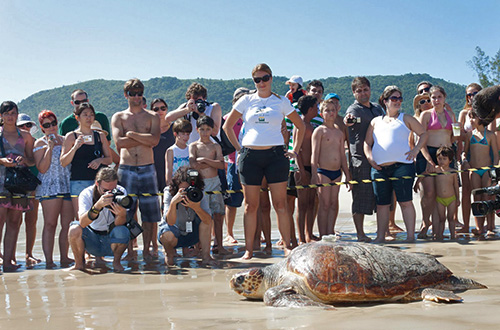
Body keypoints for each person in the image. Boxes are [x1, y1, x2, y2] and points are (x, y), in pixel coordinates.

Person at [223, 63, 305, 259]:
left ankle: (287, 246)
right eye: (257, 79)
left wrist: (294, 150)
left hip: (276, 156)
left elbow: (300, 126)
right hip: (250, 157)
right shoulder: (246, 100)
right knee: (251, 206)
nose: (261, 82)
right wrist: (239, 149)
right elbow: (228, 126)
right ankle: (249, 249)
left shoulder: (282, 101)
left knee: (280, 204)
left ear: (271, 78)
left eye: (265, 78)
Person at [364, 86, 428, 243]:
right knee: (382, 204)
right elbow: (367, 143)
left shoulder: (406, 118)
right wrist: (370, 158)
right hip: (379, 168)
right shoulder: (375, 121)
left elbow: (423, 134)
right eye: (394, 98)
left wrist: (415, 151)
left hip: (403, 166)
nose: (398, 101)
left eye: (400, 98)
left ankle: (411, 237)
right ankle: (380, 236)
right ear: (385, 101)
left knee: (405, 202)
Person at [111, 78, 162, 261]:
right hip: (126, 168)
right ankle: (131, 251)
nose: (137, 97)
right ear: (126, 95)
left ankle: (148, 249)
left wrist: (131, 134)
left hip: (148, 168)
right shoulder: (119, 117)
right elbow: (119, 143)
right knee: (126, 212)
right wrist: (143, 138)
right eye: (133, 94)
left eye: (139, 93)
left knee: (150, 213)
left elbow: (155, 141)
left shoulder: (152, 117)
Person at [343, 77, 384, 242]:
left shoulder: (377, 108)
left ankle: (384, 231)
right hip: (360, 160)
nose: (363, 93)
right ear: (354, 93)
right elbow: (348, 119)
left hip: (380, 157)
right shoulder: (354, 109)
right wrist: (348, 120)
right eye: (359, 91)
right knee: (360, 197)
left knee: (382, 196)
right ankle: (360, 233)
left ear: (370, 90)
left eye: (365, 89)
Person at [68, 167, 130, 272]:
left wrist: (122, 215)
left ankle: (116, 262)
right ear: (97, 184)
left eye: (112, 189)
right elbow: (82, 223)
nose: (109, 193)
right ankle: (79, 264)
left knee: (123, 230)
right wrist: (97, 206)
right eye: (105, 190)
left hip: (111, 239)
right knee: (74, 228)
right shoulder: (86, 194)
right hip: (92, 240)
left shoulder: (121, 191)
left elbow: (120, 225)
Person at [33, 110, 74, 268]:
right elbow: (42, 168)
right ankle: (49, 261)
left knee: (67, 224)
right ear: (42, 128)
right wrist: (50, 148)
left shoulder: (65, 140)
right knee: (50, 224)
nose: (51, 127)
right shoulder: (40, 143)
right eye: (47, 125)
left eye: (53, 123)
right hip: (50, 186)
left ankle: (64, 257)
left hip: (66, 184)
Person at [60, 102, 112, 220]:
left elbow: (110, 159)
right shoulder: (71, 136)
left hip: (98, 182)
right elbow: (63, 162)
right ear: (77, 118)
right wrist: (75, 147)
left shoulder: (100, 136)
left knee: (101, 216)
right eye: (85, 115)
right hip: (78, 182)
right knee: (82, 218)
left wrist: (100, 160)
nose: (89, 118)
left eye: (91, 115)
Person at [0, 101, 35, 272]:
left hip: (19, 183)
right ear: (1, 116)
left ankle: (8, 262)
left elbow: (32, 160)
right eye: (6, 113)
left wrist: (24, 161)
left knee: (14, 221)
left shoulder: (26, 136)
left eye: (13, 113)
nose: (10, 117)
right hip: (0, 182)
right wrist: (1, 161)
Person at [418, 86, 457, 238]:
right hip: (429, 151)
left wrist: (456, 153)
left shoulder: (451, 115)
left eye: (438, 97)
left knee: (445, 190)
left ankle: (440, 232)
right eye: (433, 97)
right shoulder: (426, 115)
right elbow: (421, 140)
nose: (436, 100)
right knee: (429, 192)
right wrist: (428, 159)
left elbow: (454, 137)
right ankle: (425, 222)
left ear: (444, 97)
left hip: (446, 153)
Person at [158, 167, 216, 266]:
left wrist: (196, 207)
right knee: (167, 234)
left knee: (205, 221)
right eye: (183, 190)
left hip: (192, 234)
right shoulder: (169, 192)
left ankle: (206, 257)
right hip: (174, 233)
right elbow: (170, 222)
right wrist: (173, 203)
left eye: (189, 189)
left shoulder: (199, 193)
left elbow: (208, 220)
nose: (187, 192)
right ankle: (169, 254)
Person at [311, 97, 351, 238]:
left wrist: (347, 175)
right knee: (324, 204)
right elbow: (314, 154)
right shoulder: (319, 131)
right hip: (323, 172)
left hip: (337, 172)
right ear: (321, 113)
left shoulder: (340, 132)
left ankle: (330, 231)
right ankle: (323, 234)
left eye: (333, 110)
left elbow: (342, 155)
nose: (331, 113)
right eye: (327, 111)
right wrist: (314, 174)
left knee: (334, 204)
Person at [189, 116, 228, 255]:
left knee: (218, 215)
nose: (205, 132)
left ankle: (219, 245)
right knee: (200, 216)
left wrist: (205, 160)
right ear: (197, 129)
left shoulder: (215, 146)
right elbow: (193, 164)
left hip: (214, 182)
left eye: (207, 129)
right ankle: (198, 246)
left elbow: (221, 165)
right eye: (202, 129)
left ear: (212, 130)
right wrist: (211, 162)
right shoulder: (193, 146)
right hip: (200, 184)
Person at [462, 110, 498, 237]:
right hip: (475, 170)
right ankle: (479, 227)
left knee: (488, 198)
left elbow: (495, 155)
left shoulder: (490, 135)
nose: (470, 121)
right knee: (476, 199)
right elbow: (464, 152)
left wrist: (494, 172)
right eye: (469, 118)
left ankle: (490, 227)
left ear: (481, 118)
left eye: (473, 118)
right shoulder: (469, 135)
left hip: (487, 170)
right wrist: (464, 160)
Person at [223, 87, 250, 245]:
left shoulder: (251, 117)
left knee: (252, 199)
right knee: (232, 201)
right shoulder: (228, 118)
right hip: (233, 162)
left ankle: (255, 233)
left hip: (252, 161)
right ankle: (229, 233)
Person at [16, 113, 41, 268]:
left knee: (31, 221)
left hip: (33, 183)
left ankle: (29, 254)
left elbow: (35, 163)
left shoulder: (36, 143)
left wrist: (26, 160)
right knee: (14, 221)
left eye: (28, 125)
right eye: (22, 125)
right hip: (15, 185)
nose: (25, 128)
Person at [457, 83, 483, 234]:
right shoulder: (463, 113)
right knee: (466, 191)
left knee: (483, 191)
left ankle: (483, 226)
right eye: (469, 95)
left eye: (475, 93)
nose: (472, 97)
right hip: (466, 154)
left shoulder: (488, 112)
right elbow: (458, 136)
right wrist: (460, 156)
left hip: (483, 153)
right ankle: (466, 225)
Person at [294, 95, 319, 243]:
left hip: (311, 167)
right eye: (316, 107)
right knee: (302, 204)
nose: (317, 110)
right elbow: (296, 150)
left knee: (311, 202)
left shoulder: (311, 126)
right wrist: (302, 171)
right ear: (310, 109)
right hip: (302, 168)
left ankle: (309, 234)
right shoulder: (301, 126)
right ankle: (301, 237)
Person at [433, 147, 460, 240]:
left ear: (450, 160)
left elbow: (456, 186)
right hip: (439, 199)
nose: (441, 161)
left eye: (444, 159)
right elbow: (425, 173)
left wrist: (457, 198)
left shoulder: (453, 172)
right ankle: (439, 236)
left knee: (451, 218)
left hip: (451, 198)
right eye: (439, 159)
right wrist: (417, 182)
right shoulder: (436, 170)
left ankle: (453, 236)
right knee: (441, 219)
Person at [151, 98, 175, 192]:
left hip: (171, 169)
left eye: (163, 108)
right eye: (156, 109)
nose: (160, 111)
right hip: (153, 169)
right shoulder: (149, 129)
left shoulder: (174, 128)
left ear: (167, 109)